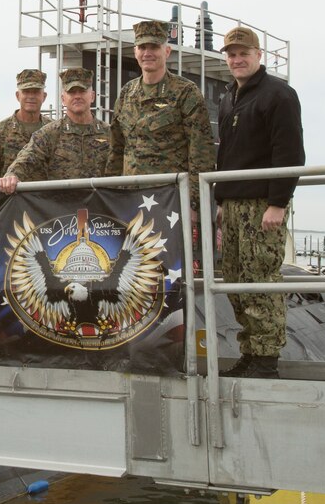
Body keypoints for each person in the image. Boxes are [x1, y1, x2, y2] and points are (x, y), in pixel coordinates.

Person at [216, 26, 305, 379]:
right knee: (236, 279)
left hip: (262, 204)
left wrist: (278, 203)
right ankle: (250, 353)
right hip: (233, 203)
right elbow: (227, 153)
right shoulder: (229, 97)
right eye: (232, 54)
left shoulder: (278, 95)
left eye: (244, 53)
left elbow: (290, 151)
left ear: (258, 55)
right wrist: (221, 199)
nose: (237, 60)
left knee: (260, 278)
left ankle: (266, 359)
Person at [104, 20, 215, 217]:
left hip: (170, 199)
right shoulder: (126, 93)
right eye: (142, 47)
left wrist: (193, 202)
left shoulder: (185, 92)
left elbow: (201, 153)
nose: (147, 53)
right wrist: (110, 195)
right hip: (130, 200)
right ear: (135, 52)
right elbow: (116, 149)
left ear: (167, 51)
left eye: (154, 47)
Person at [0, 68, 109, 192]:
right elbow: (27, 158)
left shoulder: (110, 133)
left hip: (100, 202)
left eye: (82, 91)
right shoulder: (49, 133)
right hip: (62, 202)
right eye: (72, 92)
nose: (77, 96)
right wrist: (12, 174)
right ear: (63, 99)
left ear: (92, 96)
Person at [0, 69, 51, 184]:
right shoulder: (1, 131)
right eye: (26, 92)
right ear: (17, 96)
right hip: (11, 195)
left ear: (44, 96)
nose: (31, 96)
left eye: (36, 92)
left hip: (46, 195)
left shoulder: (52, 130)